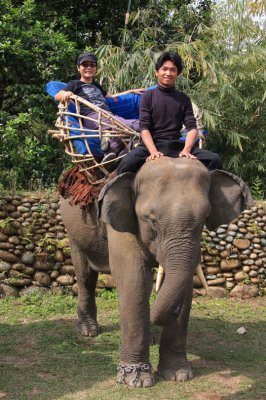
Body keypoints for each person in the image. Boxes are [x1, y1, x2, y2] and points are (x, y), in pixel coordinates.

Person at [117, 51, 222, 174]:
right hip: (152, 145)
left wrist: (187, 150)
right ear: (157, 72)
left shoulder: (183, 99)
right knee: (126, 164)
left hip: (176, 146)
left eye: (173, 70)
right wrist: (153, 151)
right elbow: (144, 127)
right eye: (164, 69)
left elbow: (192, 128)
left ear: (178, 73)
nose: (168, 73)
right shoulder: (148, 96)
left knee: (215, 159)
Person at [55, 52, 142, 162]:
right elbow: (57, 96)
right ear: (78, 68)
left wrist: (130, 91)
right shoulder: (75, 84)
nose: (89, 68)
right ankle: (110, 148)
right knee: (139, 125)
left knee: (128, 135)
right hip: (93, 117)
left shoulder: (96, 85)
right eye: (85, 65)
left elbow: (111, 97)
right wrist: (66, 94)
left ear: (96, 68)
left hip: (108, 116)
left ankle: (112, 152)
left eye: (92, 65)